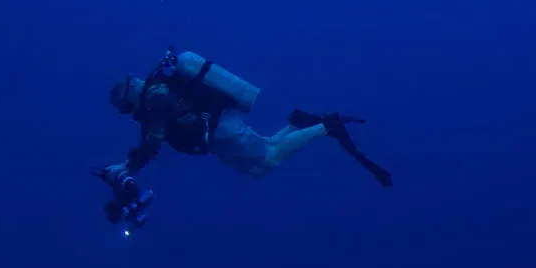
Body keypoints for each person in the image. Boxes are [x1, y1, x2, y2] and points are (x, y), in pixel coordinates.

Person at [100, 49, 392, 204]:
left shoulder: (154, 99)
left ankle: (326, 127)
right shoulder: (154, 99)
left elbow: (151, 143)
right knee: (257, 169)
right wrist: (125, 166)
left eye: (125, 108)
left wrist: (129, 167)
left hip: (220, 128)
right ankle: (294, 124)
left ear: (128, 97)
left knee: (269, 156)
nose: (130, 113)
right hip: (216, 138)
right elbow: (148, 142)